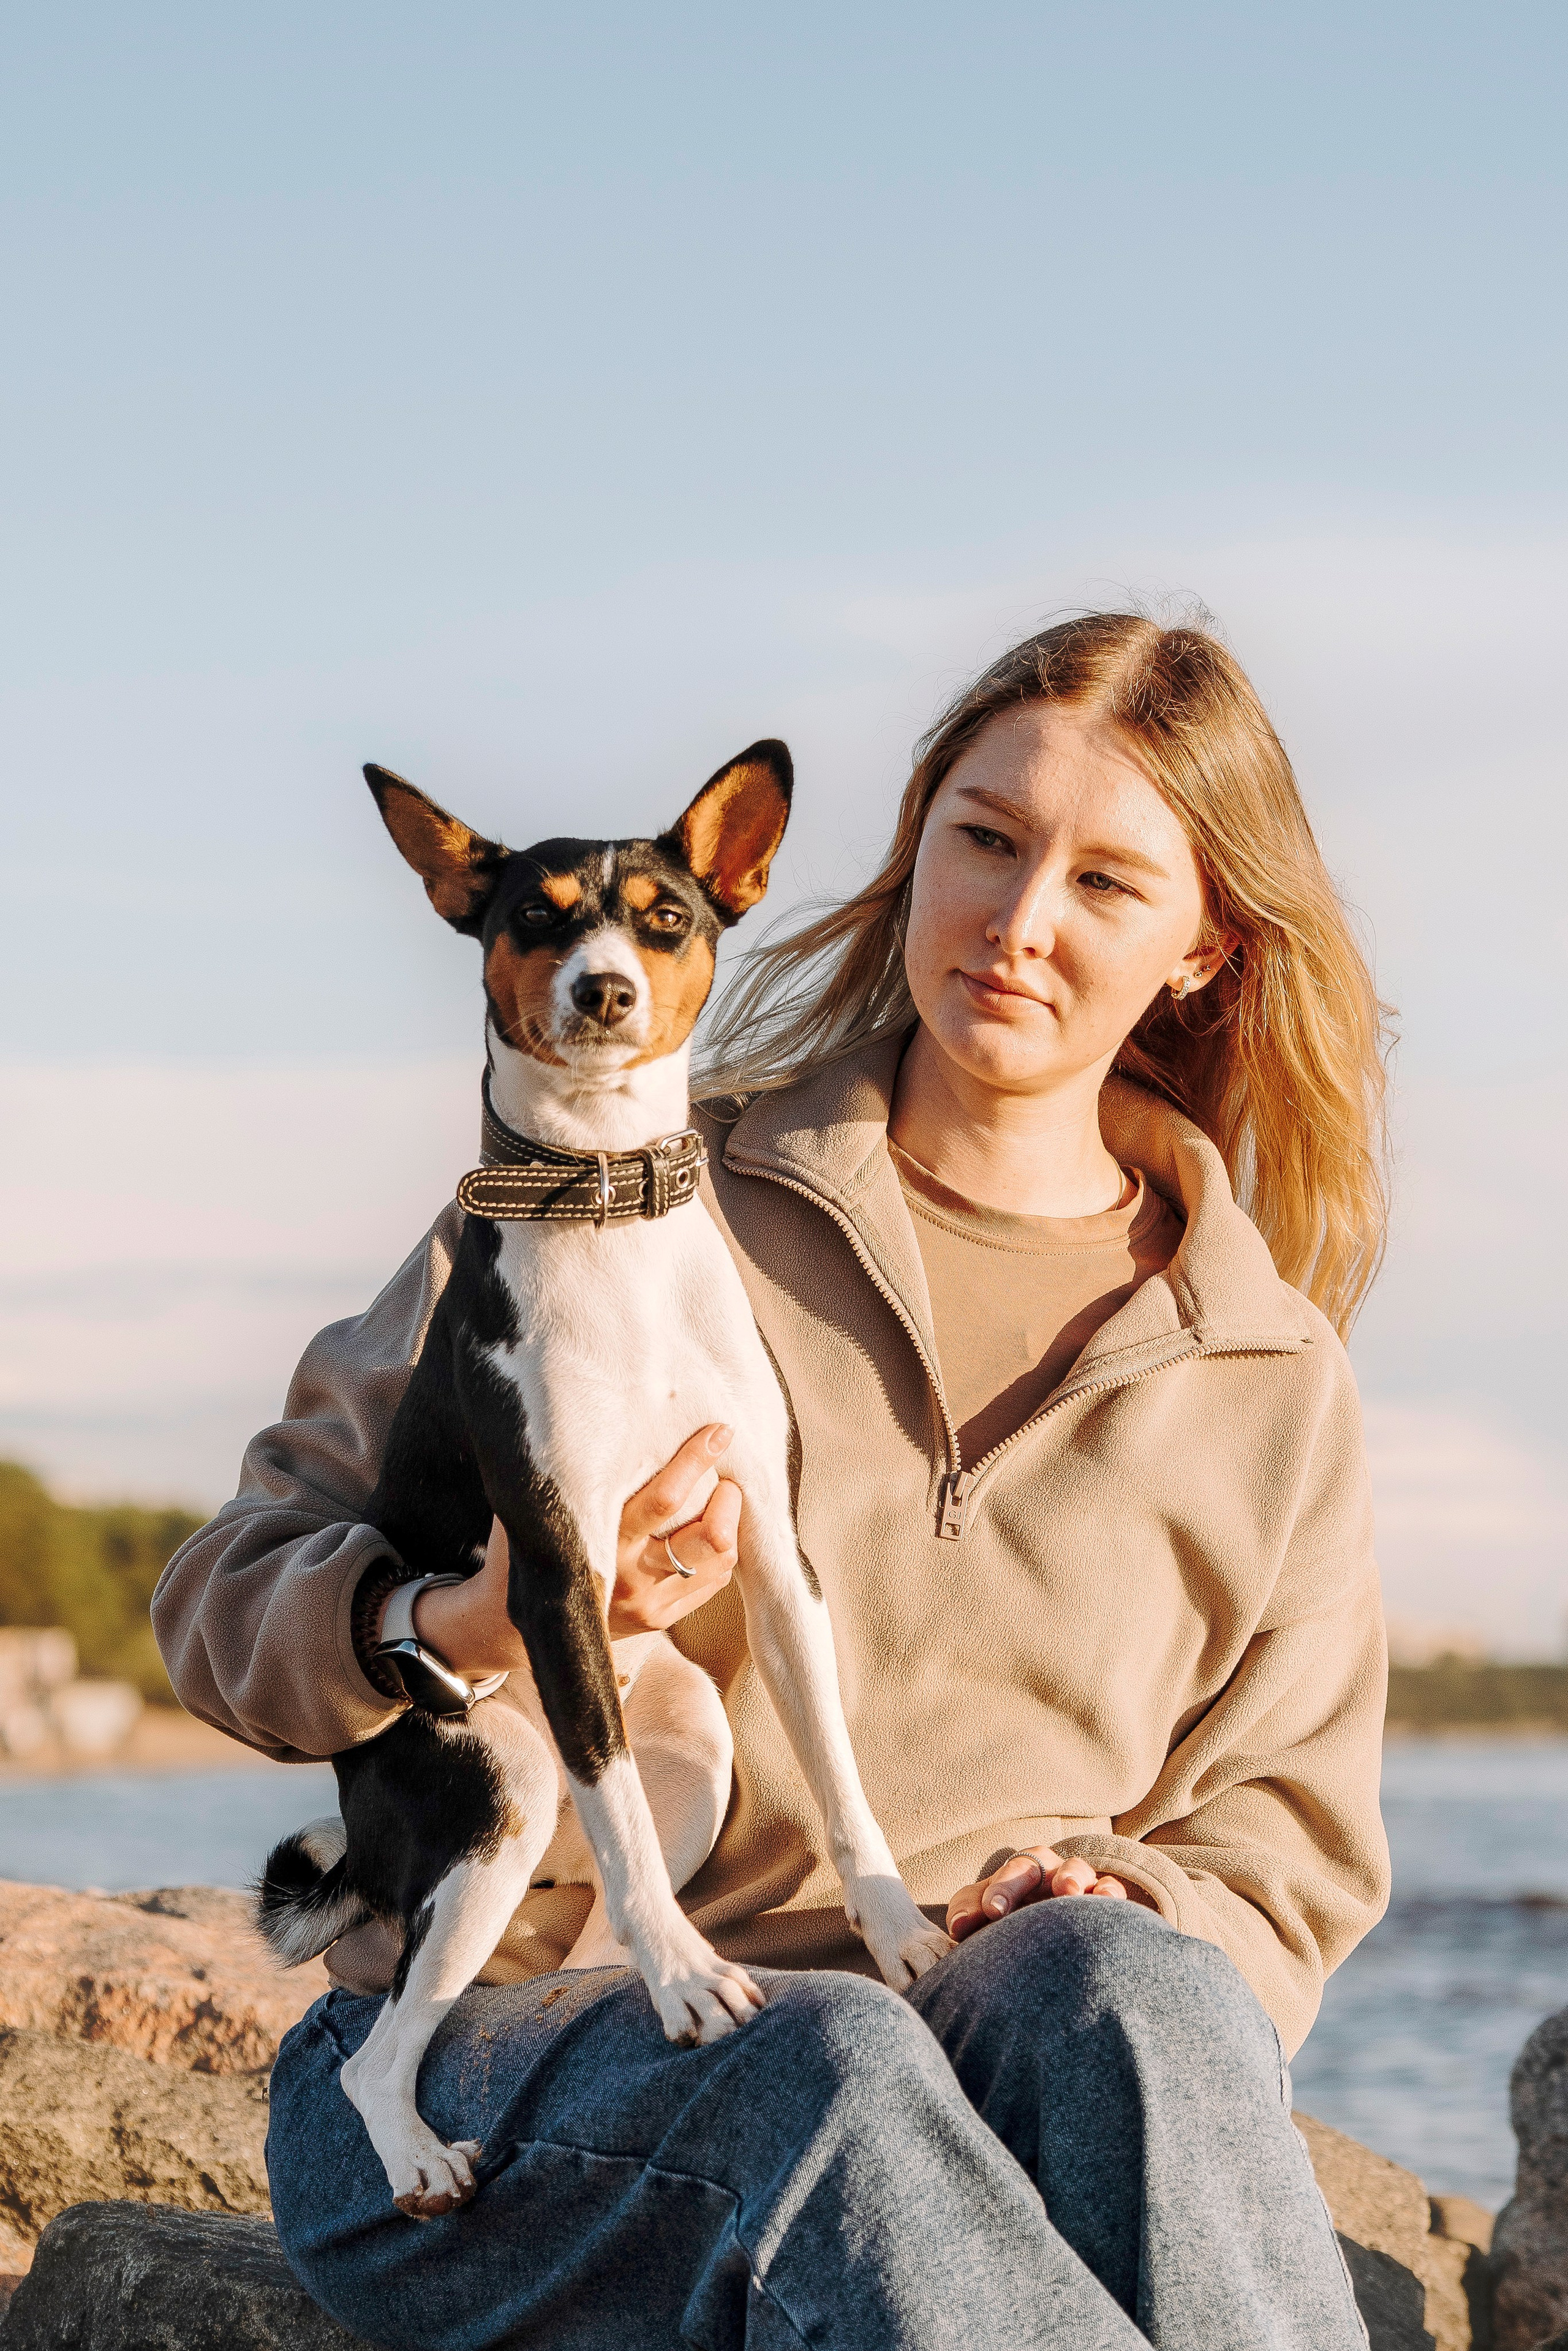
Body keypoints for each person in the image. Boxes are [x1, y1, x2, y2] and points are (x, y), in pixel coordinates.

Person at [154, 612, 1393, 2350]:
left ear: (1207, 951)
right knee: (822, 2055)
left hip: (976, 2059)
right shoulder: (604, 1183)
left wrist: (1141, 1897)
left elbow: (1291, 1850)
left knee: (1134, 1995)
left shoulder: (1268, 1374)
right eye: (986, 839)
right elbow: (220, 1595)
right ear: (907, 853)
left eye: (1109, 882)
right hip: (534, 2070)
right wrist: (457, 1621)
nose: (1021, 923)